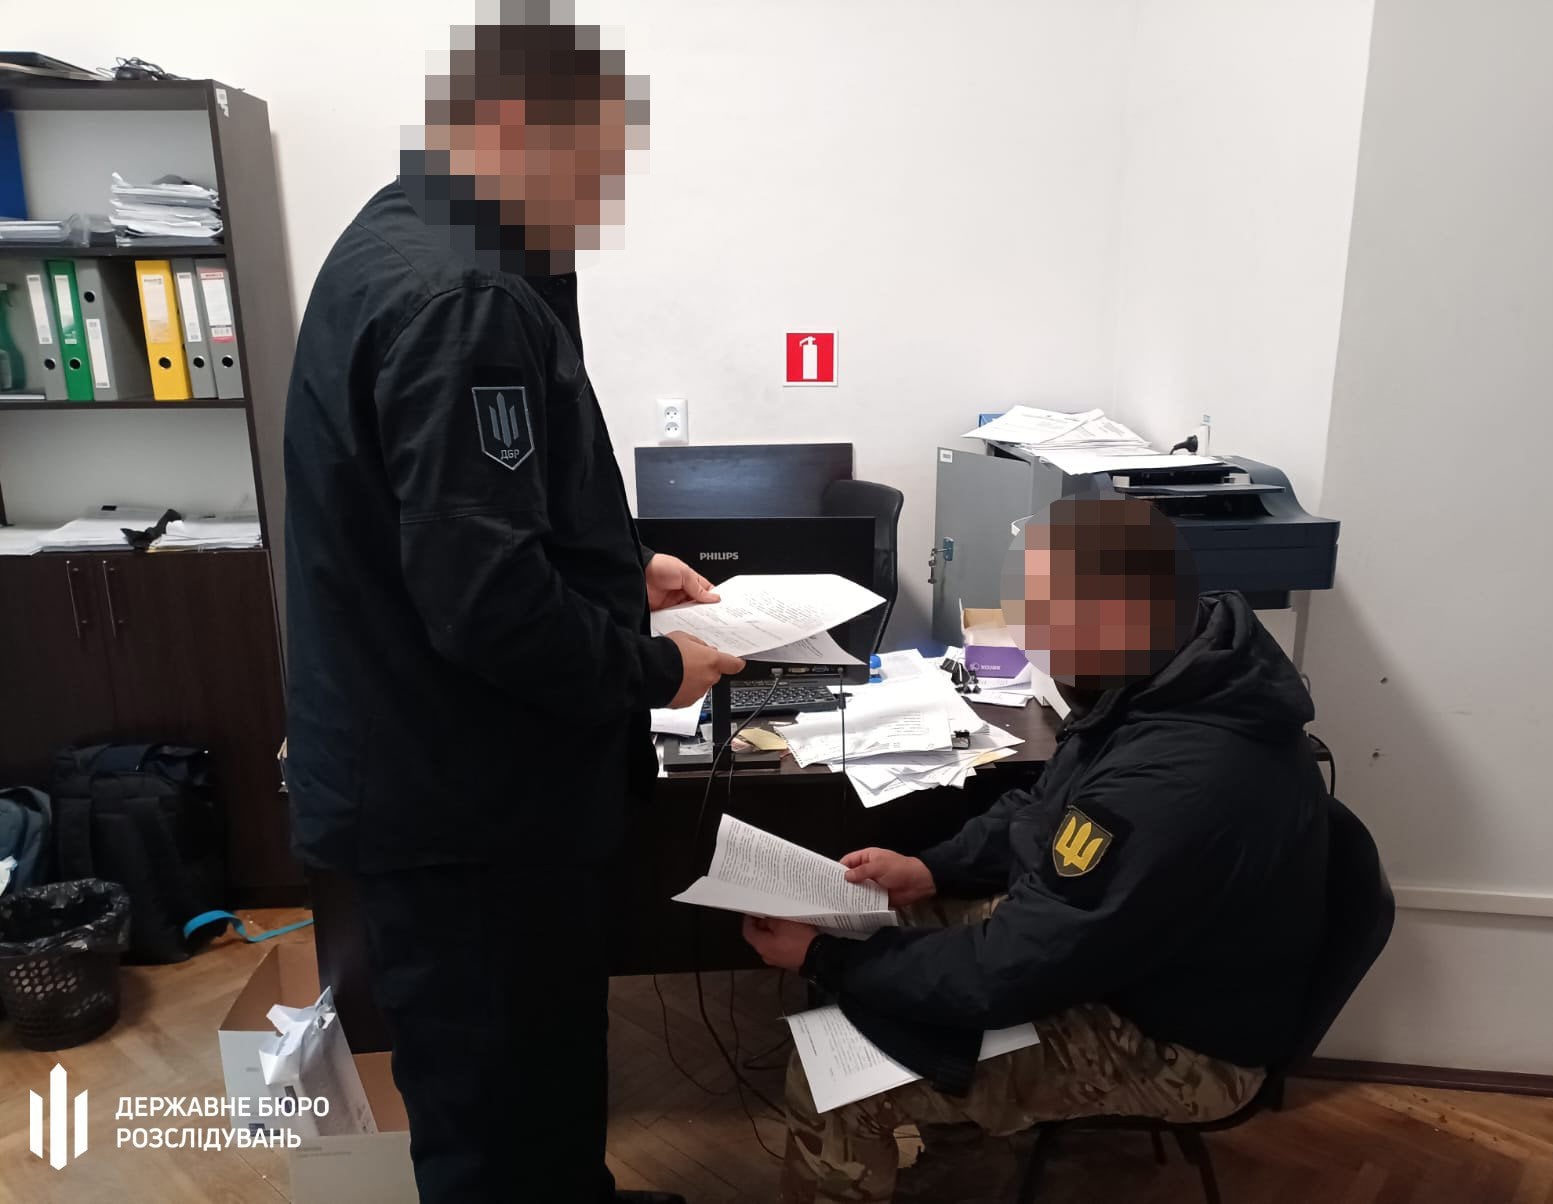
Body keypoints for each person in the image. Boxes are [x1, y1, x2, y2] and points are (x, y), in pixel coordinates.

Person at [282, 10, 739, 1202]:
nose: (598, 203)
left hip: (439, 775)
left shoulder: (400, 238)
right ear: (505, 126)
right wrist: (657, 669)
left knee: (535, 1073)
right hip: (467, 802)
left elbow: (454, 518)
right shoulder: (461, 299)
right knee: (494, 1104)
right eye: (591, 169)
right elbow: (487, 602)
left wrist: (622, 568)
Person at [742, 498, 1330, 1203]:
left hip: (1180, 1039)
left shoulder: (1175, 778)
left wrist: (821, 958)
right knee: (880, 926)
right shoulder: (1170, 676)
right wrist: (931, 869)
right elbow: (1039, 813)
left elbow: (1005, 974)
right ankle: (966, 1164)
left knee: (833, 1079)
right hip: (1125, 962)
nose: (1028, 642)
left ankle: (947, 1147)